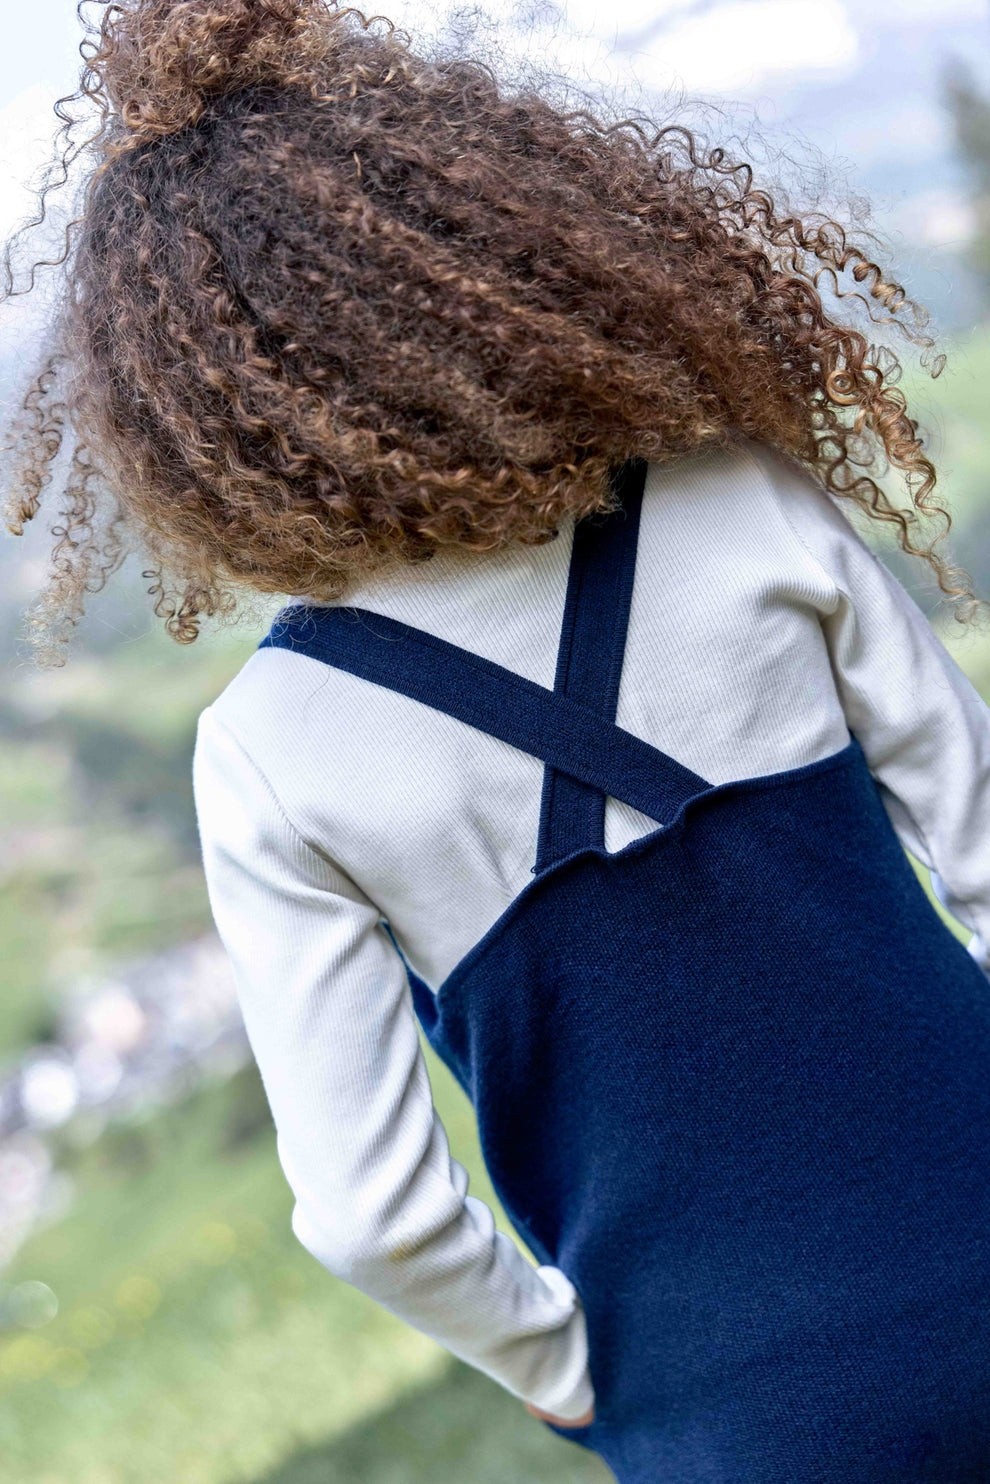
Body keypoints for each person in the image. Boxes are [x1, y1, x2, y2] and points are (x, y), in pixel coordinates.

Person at [5, 1, 990, 1478]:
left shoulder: (271, 752)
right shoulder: (743, 503)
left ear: (201, 420)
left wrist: (563, 1370)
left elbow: (370, 1216)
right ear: (495, 253)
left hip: (740, 1410)